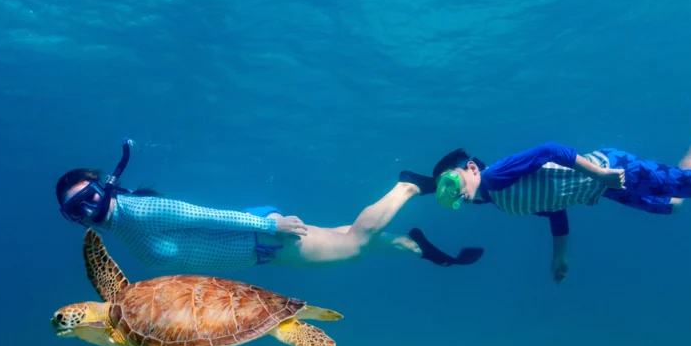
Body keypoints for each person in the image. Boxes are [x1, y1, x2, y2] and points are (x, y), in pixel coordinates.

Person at [404, 63, 691, 284]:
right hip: (604, 189)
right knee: (675, 206)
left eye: (452, 183)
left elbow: (550, 149)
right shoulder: (500, 200)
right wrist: (559, 256)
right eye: (447, 195)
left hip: (613, 170)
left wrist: (601, 174)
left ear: (471, 168)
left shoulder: (496, 176)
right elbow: (554, 209)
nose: (456, 195)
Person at [56, 141, 483, 275]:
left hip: (262, 238)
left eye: (89, 196)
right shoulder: (125, 223)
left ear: (102, 186)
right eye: (76, 210)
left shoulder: (137, 213)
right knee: (342, 238)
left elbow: (205, 216)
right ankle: (418, 249)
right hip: (256, 242)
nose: (88, 211)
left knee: (353, 243)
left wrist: (268, 224)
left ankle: (407, 187)